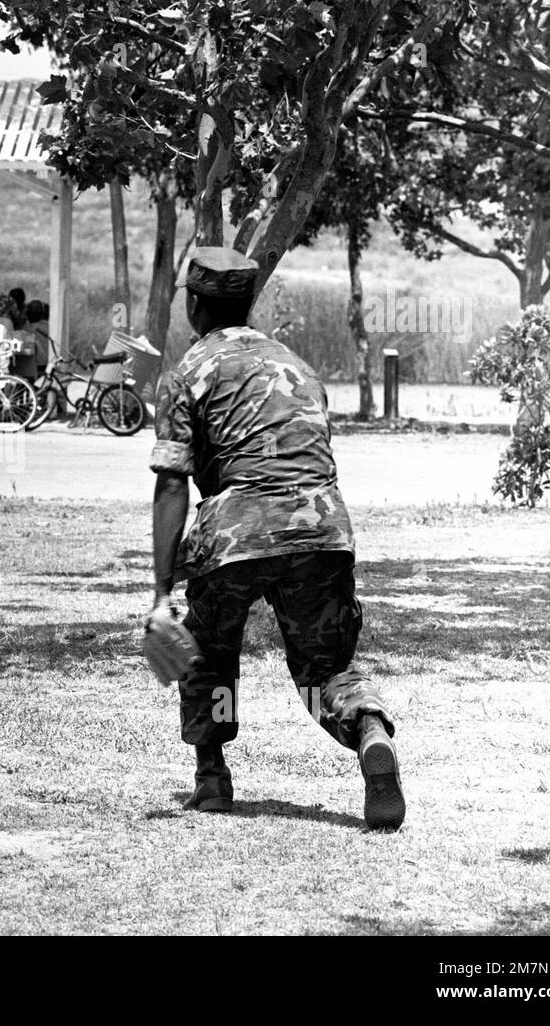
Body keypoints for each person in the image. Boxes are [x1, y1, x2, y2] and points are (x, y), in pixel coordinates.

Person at [149, 246, 405, 832]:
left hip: (235, 533)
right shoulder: (298, 365)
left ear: (193, 303)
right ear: (248, 302)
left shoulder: (189, 370)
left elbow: (172, 484)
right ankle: (367, 727)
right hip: (322, 530)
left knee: (212, 657)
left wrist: (161, 593)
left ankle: (212, 777)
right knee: (324, 669)